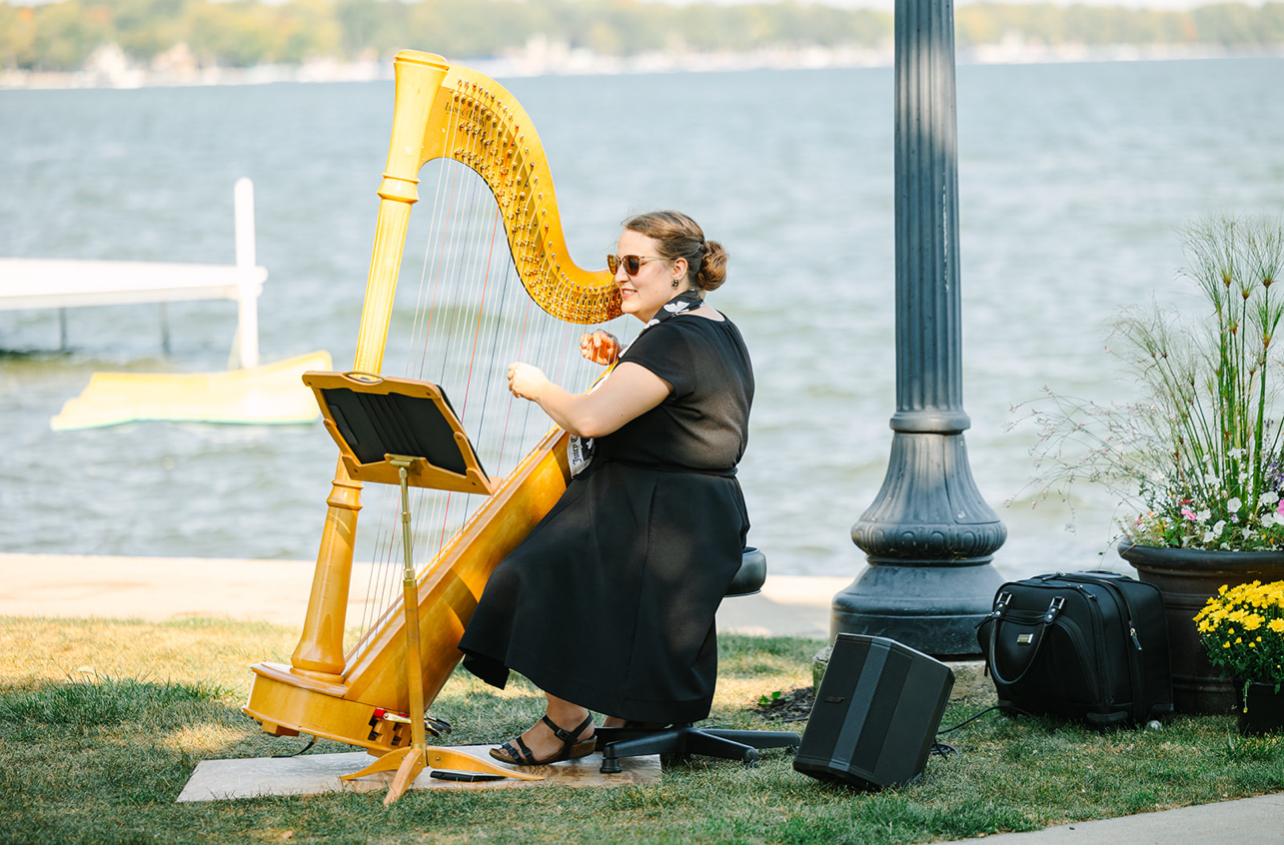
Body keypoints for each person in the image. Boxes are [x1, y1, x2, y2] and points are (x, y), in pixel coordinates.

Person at [457, 210, 754, 766]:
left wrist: (539, 387)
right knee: (549, 555)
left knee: (527, 570)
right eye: (617, 261)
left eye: (634, 263)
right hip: (694, 513)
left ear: (677, 269)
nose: (619, 275)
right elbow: (679, 410)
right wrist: (621, 361)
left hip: (666, 519)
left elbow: (590, 419)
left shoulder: (672, 340)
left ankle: (566, 722)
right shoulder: (710, 327)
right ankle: (620, 715)